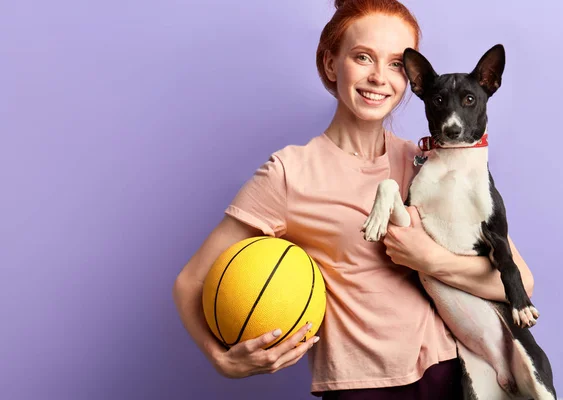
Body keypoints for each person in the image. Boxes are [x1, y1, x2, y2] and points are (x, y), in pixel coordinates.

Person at [172, 0, 535, 398]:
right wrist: (223, 362)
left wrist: (429, 260)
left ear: (411, 78)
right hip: (360, 387)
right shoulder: (290, 173)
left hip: (454, 375)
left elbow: (521, 281)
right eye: (363, 57)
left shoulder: (426, 163)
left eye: (396, 63)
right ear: (331, 65)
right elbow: (191, 281)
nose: (379, 77)